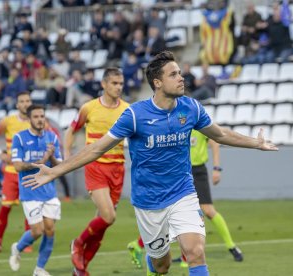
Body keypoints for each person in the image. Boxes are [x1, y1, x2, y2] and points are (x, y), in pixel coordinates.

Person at [22, 51, 278, 276]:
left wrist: (255, 143)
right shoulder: (135, 115)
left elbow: (220, 134)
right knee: (161, 264)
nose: (181, 78)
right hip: (148, 202)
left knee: (195, 250)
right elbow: (97, 148)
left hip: (183, 193)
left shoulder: (191, 108)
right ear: (158, 82)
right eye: (174, 74)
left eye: (180, 73)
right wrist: (55, 170)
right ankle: (154, 263)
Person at [127, 130, 243, 269]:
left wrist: (216, 168)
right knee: (176, 212)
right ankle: (173, 255)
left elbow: (215, 141)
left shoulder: (197, 118)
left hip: (197, 170)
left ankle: (231, 246)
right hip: (178, 170)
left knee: (206, 210)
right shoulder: (175, 120)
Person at [64, 68, 129, 275]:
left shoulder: (128, 110)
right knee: (109, 216)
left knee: (101, 225)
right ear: (104, 84)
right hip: (96, 167)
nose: (118, 87)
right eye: (114, 83)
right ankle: (77, 243)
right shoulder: (89, 108)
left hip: (118, 169)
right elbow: (71, 130)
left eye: (120, 84)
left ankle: (81, 270)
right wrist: (67, 154)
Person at [9, 105, 62, 276]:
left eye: (42, 116)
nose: (40, 119)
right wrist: (42, 159)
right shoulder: (20, 138)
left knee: (50, 230)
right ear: (29, 119)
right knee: (37, 230)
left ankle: (39, 269)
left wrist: (52, 156)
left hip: (49, 192)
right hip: (30, 190)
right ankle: (17, 248)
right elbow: (17, 166)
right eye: (36, 116)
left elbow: (59, 167)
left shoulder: (52, 137)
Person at [0, 91, 33, 254]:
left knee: (29, 208)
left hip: (28, 173)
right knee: (5, 208)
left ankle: (27, 243)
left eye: (28, 101)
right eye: (22, 101)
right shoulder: (9, 121)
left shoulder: (37, 121)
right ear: (17, 105)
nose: (25, 104)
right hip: (12, 173)